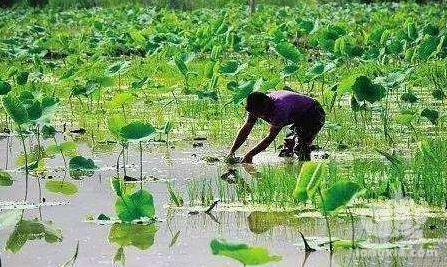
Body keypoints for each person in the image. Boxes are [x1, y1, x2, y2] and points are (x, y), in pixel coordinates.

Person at [227, 88, 325, 163]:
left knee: (301, 147)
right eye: (255, 113)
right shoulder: (255, 108)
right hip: (296, 115)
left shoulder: (280, 109)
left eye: (259, 113)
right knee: (287, 149)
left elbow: (270, 137)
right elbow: (246, 130)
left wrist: (249, 155)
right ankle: (289, 173)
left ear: (266, 105)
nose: (257, 116)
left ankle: (304, 172)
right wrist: (232, 151)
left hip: (313, 112)